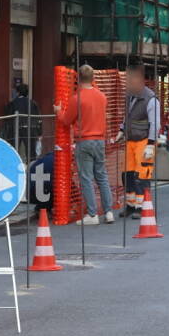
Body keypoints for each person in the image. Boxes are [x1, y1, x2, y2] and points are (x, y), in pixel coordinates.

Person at [55, 65, 115, 225]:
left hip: (84, 141)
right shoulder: (102, 97)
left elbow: (66, 120)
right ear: (93, 78)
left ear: (78, 79)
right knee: (102, 176)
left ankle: (92, 214)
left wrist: (58, 111)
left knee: (86, 177)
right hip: (100, 140)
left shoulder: (77, 98)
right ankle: (109, 212)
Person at [116, 66, 160, 219]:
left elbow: (155, 123)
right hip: (131, 140)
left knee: (142, 175)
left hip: (144, 141)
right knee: (127, 174)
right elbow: (127, 116)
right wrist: (122, 130)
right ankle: (130, 204)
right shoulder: (130, 96)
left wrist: (150, 144)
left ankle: (142, 206)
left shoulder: (151, 99)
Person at [2, 84, 42, 160]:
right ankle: (31, 167)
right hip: (31, 128)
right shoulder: (32, 103)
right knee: (31, 152)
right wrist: (40, 133)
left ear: (18, 92)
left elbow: (7, 118)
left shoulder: (13, 103)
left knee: (13, 150)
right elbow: (38, 118)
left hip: (16, 128)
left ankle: (13, 166)